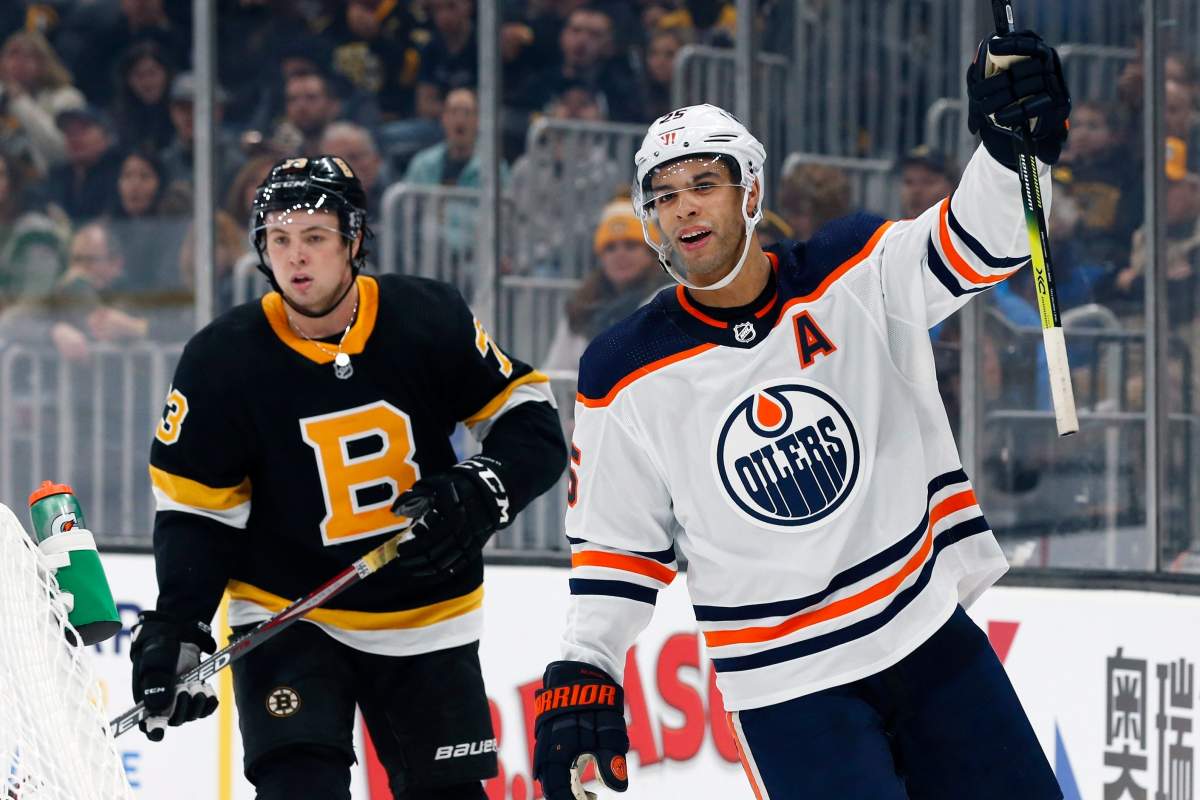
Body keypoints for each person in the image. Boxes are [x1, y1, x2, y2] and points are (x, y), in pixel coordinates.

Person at [532, 27, 1072, 800]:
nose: (683, 207)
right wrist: (586, 667)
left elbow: (978, 243)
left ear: (750, 193)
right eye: (664, 194)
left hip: (924, 636)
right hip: (788, 687)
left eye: (702, 183)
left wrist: (1015, 148)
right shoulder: (621, 371)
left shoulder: (851, 268)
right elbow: (616, 552)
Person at [131, 155, 567, 800]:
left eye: (313, 237)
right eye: (278, 239)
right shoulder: (221, 360)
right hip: (286, 615)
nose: (295, 257)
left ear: (353, 240)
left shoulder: (427, 317)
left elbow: (529, 420)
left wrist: (486, 486)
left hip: (427, 611)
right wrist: (180, 623)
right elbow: (197, 513)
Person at [543, 199, 667, 373]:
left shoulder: (667, 300)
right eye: (610, 248)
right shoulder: (581, 305)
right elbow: (556, 370)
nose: (620, 254)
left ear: (651, 253)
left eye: (630, 245)